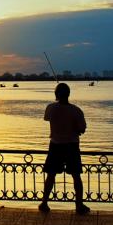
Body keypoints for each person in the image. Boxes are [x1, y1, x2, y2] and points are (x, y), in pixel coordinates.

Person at [39, 82, 90, 214]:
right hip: (72, 145)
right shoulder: (76, 110)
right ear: (68, 94)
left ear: (56, 94)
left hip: (55, 145)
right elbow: (82, 129)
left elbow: (47, 118)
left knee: (51, 175)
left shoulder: (51, 108)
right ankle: (79, 205)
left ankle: (44, 203)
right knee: (76, 176)